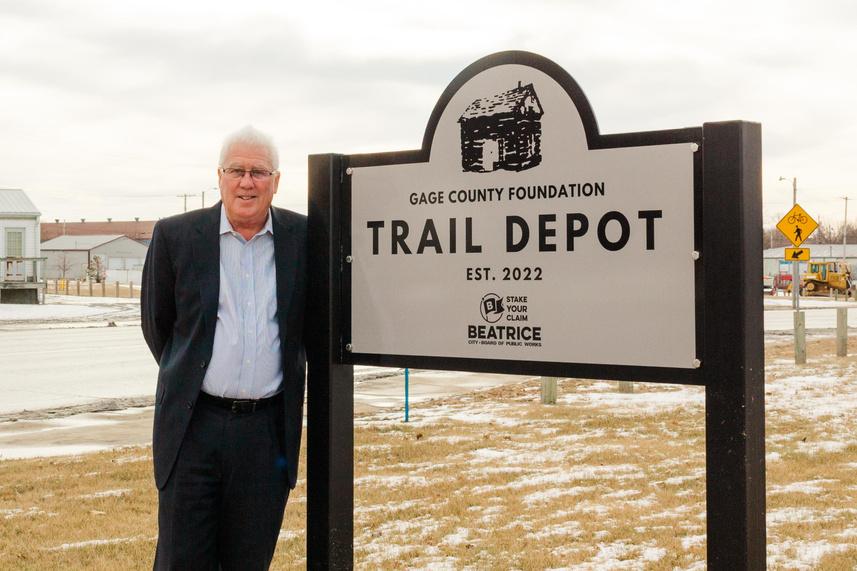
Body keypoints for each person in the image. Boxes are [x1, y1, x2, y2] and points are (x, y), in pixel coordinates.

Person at [141, 126, 309, 570]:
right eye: (237, 171)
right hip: (193, 427)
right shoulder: (176, 236)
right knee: (182, 561)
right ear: (219, 177)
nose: (247, 182)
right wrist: (192, 373)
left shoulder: (304, 238)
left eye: (259, 172)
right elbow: (159, 327)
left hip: (266, 434)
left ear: (276, 180)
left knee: (249, 561)